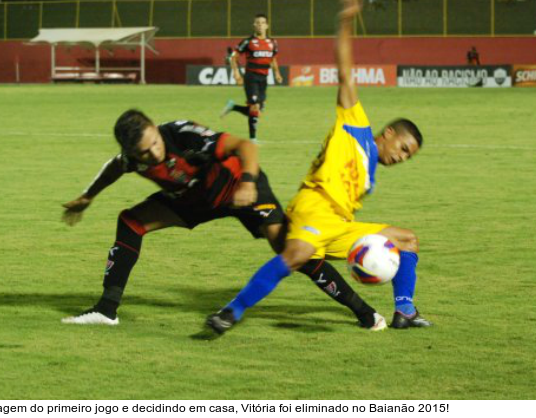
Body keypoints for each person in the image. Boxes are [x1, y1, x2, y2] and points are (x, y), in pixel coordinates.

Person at [207, 0, 432, 335]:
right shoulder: (354, 123)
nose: (402, 157)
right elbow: (346, 70)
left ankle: (406, 311)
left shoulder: (370, 172)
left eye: (408, 156)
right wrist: (345, 22)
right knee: (296, 254)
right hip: (314, 208)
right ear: (387, 134)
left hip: (340, 224)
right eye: (402, 149)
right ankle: (231, 311)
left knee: (408, 240)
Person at [60, 110, 385, 330]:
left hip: (241, 189)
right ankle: (106, 310)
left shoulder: (183, 134)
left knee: (291, 252)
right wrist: (88, 196)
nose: (154, 154)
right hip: (193, 201)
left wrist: (246, 180)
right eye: (144, 152)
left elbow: (246, 146)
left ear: (157, 130)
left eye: (155, 143)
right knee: (131, 221)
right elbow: (115, 166)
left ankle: (364, 312)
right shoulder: (133, 157)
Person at [220, 14, 284, 143]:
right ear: (254, 25)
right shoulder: (248, 42)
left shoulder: (272, 43)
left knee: (257, 110)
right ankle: (253, 139)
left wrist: (277, 73)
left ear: (267, 25)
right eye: (257, 23)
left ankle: (233, 107)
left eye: (262, 23)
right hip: (251, 77)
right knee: (254, 107)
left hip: (264, 78)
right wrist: (236, 73)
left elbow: (273, 58)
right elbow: (234, 56)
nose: (260, 25)